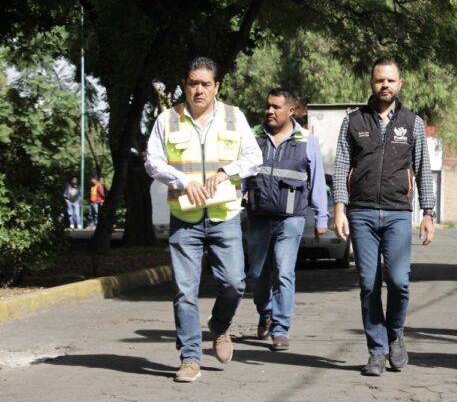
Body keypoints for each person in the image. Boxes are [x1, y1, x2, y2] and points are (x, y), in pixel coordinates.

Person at [145, 56, 262, 383]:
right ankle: (190, 358)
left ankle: (220, 326)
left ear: (216, 87)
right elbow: (152, 162)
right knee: (184, 290)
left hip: (225, 216)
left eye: (205, 84)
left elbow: (254, 157)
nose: (199, 89)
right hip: (185, 218)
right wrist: (184, 182)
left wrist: (226, 172)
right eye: (193, 83)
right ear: (185, 84)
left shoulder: (233, 117)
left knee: (235, 283)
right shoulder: (167, 120)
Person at [333, 57, 436, 376]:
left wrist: (429, 213)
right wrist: (340, 207)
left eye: (391, 80)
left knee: (398, 281)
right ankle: (376, 351)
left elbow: (423, 169)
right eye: (380, 80)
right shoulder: (353, 121)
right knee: (368, 283)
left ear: (399, 83)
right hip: (361, 213)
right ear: (371, 83)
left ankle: (396, 335)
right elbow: (339, 167)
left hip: (397, 214)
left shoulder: (412, 122)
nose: (385, 85)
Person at [243, 88, 328, 351]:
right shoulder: (253, 136)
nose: (269, 111)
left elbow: (316, 181)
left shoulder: (305, 140)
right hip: (258, 216)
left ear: (291, 111)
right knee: (256, 274)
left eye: (276, 107)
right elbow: (243, 173)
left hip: (291, 218)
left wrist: (321, 217)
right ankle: (266, 311)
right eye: (267, 106)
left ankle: (281, 329)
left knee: (284, 271)